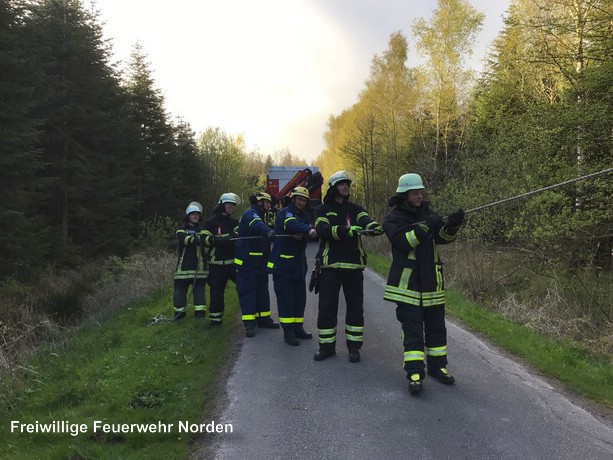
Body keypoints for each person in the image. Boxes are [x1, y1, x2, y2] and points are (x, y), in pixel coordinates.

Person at [382, 173, 465, 395]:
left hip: (432, 285)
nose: (420, 196)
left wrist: (453, 226)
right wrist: (425, 227)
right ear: (405, 195)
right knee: (413, 332)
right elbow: (402, 241)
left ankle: (439, 368)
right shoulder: (393, 218)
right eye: (415, 193)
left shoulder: (428, 214)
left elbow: (442, 238)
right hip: (408, 286)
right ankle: (415, 374)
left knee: (437, 330)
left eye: (421, 192)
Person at [312, 170, 384, 363]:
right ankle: (326, 347)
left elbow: (365, 220)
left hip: (353, 266)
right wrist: (345, 230)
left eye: (347, 184)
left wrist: (374, 227)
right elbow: (322, 230)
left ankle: (354, 348)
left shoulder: (355, 209)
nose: (346, 187)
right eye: (342, 184)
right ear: (334, 187)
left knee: (355, 309)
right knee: (327, 308)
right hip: (330, 267)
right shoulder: (322, 210)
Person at [267, 187, 318, 346]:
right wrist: (307, 230)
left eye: (304, 200)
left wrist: (303, 235)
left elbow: (306, 236)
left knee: (299, 298)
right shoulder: (285, 213)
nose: (302, 202)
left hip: (298, 265)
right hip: (283, 265)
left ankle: (298, 327)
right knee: (286, 299)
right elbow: (291, 224)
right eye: (299, 199)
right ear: (293, 199)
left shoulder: (305, 215)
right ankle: (288, 331)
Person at [234, 191, 279, 337]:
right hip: (247, 264)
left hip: (259, 264)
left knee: (262, 292)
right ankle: (249, 324)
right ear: (258, 202)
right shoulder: (251, 214)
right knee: (248, 293)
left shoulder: (262, 216)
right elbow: (257, 225)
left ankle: (263, 318)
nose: (268, 205)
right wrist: (268, 232)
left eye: (269, 203)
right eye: (266, 202)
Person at [202, 193, 240, 326]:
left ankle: (251, 315)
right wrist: (217, 240)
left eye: (233, 205)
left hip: (232, 263)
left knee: (244, 287)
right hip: (216, 264)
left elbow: (239, 234)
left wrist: (230, 236)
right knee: (216, 292)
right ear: (222, 205)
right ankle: (215, 320)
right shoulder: (211, 222)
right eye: (229, 204)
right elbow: (204, 239)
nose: (232, 207)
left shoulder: (234, 222)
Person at [173, 201, 208, 320]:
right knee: (179, 293)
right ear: (188, 216)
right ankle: (179, 315)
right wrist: (196, 240)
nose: (196, 216)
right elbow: (185, 240)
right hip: (183, 269)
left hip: (199, 269)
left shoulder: (203, 230)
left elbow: (208, 240)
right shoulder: (181, 230)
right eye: (193, 214)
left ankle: (200, 316)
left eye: (197, 214)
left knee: (199, 294)